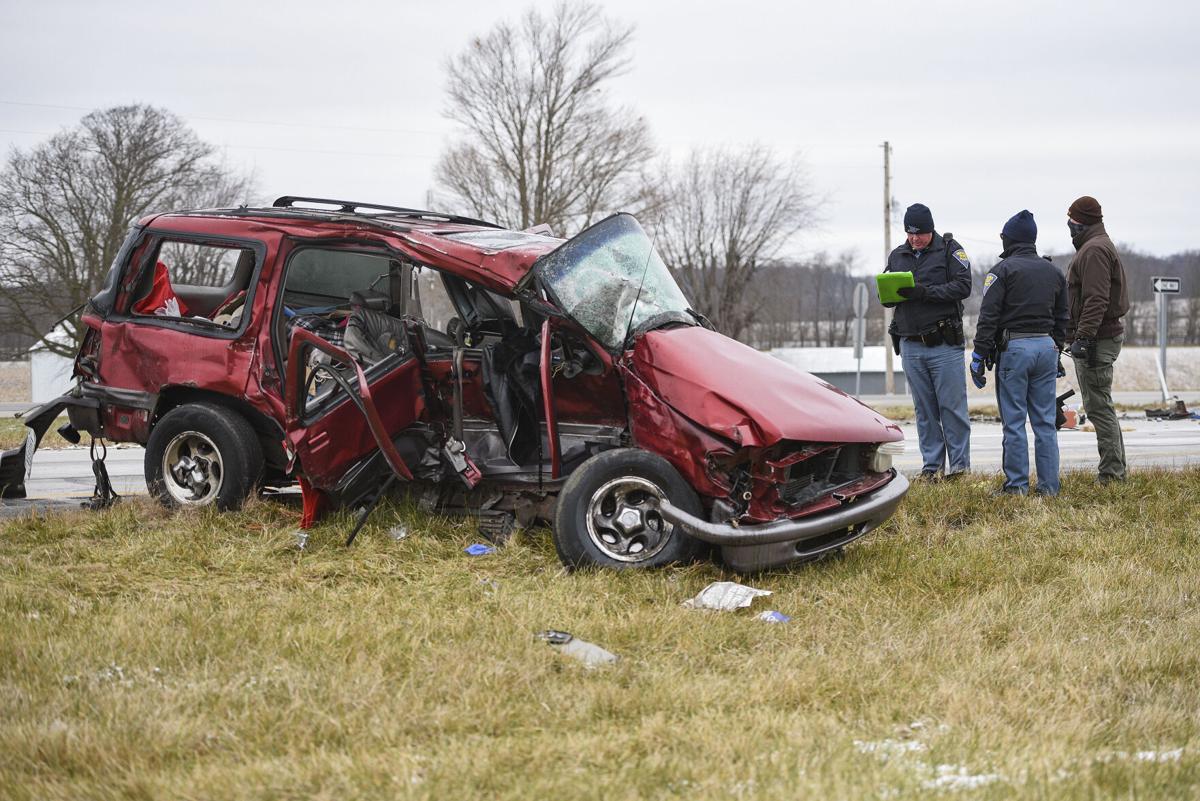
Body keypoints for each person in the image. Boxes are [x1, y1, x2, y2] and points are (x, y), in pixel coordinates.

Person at [970, 210, 1068, 496]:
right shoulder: (1054, 272)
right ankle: (1049, 488)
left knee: (1014, 423)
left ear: (1009, 239)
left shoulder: (1001, 271)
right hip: (1046, 347)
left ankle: (1016, 487)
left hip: (1015, 350)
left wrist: (979, 356)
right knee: (1045, 422)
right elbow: (1063, 317)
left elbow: (988, 318)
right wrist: (1056, 349)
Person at [885, 203, 972, 480]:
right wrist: (886, 294)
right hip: (911, 343)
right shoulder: (898, 255)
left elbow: (963, 286)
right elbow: (887, 288)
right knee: (924, 411)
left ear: (930, 229)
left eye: (919, 233)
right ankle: (931, 466)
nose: (914, 239)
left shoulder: (949, 250)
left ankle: (959, 468)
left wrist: (924, 292)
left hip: (943, 344)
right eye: (909, 233)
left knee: (951, 408)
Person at [1065, 195, 1129, 484]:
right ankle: (1114, 471)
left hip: (1097, 340)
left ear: (1083, 222)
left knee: (1099, 408)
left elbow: (1097, 299)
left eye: (1073, 220)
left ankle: (1112, 475)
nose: (1069, 225)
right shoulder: (1095, 246)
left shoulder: (1094, 250)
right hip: (1098, 337)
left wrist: (1084, 336)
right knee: (1099, 405)